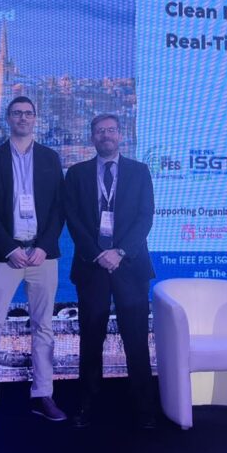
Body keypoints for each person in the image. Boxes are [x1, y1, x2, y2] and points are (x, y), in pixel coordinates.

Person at [0, 96, 66, 426]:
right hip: (3, 256)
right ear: (8, 118)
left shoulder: (50, 158)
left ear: (35, 118)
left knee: (44, 327)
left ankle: (42, 395)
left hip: (43, 255)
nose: (23, 118)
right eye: (17, 113)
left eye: (28, 113)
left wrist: (45, 246)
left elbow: (59, 208)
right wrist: (9, 248)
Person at [63, 113, 157, 429]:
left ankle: (144, 407)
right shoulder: (76, 174)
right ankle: (86, 404)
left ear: (120, 135)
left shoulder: (140, 171)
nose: (106, 135)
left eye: (111, 130)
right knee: (91, 338)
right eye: (100, 131)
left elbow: (146, 217)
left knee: (136, 339)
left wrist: (120, 252)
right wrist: (97, 254)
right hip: (92, 267)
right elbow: (73, 218)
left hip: (130, 266)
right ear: (92, 137)